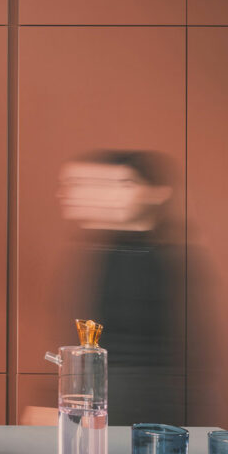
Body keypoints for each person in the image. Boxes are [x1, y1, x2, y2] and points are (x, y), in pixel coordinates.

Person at [57, 149, 184, 425]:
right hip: (104, 407)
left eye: (127, 184)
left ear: (156, 193)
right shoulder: (107, 252)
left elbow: (170, 358)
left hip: (142, 413)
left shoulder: (163, 257)